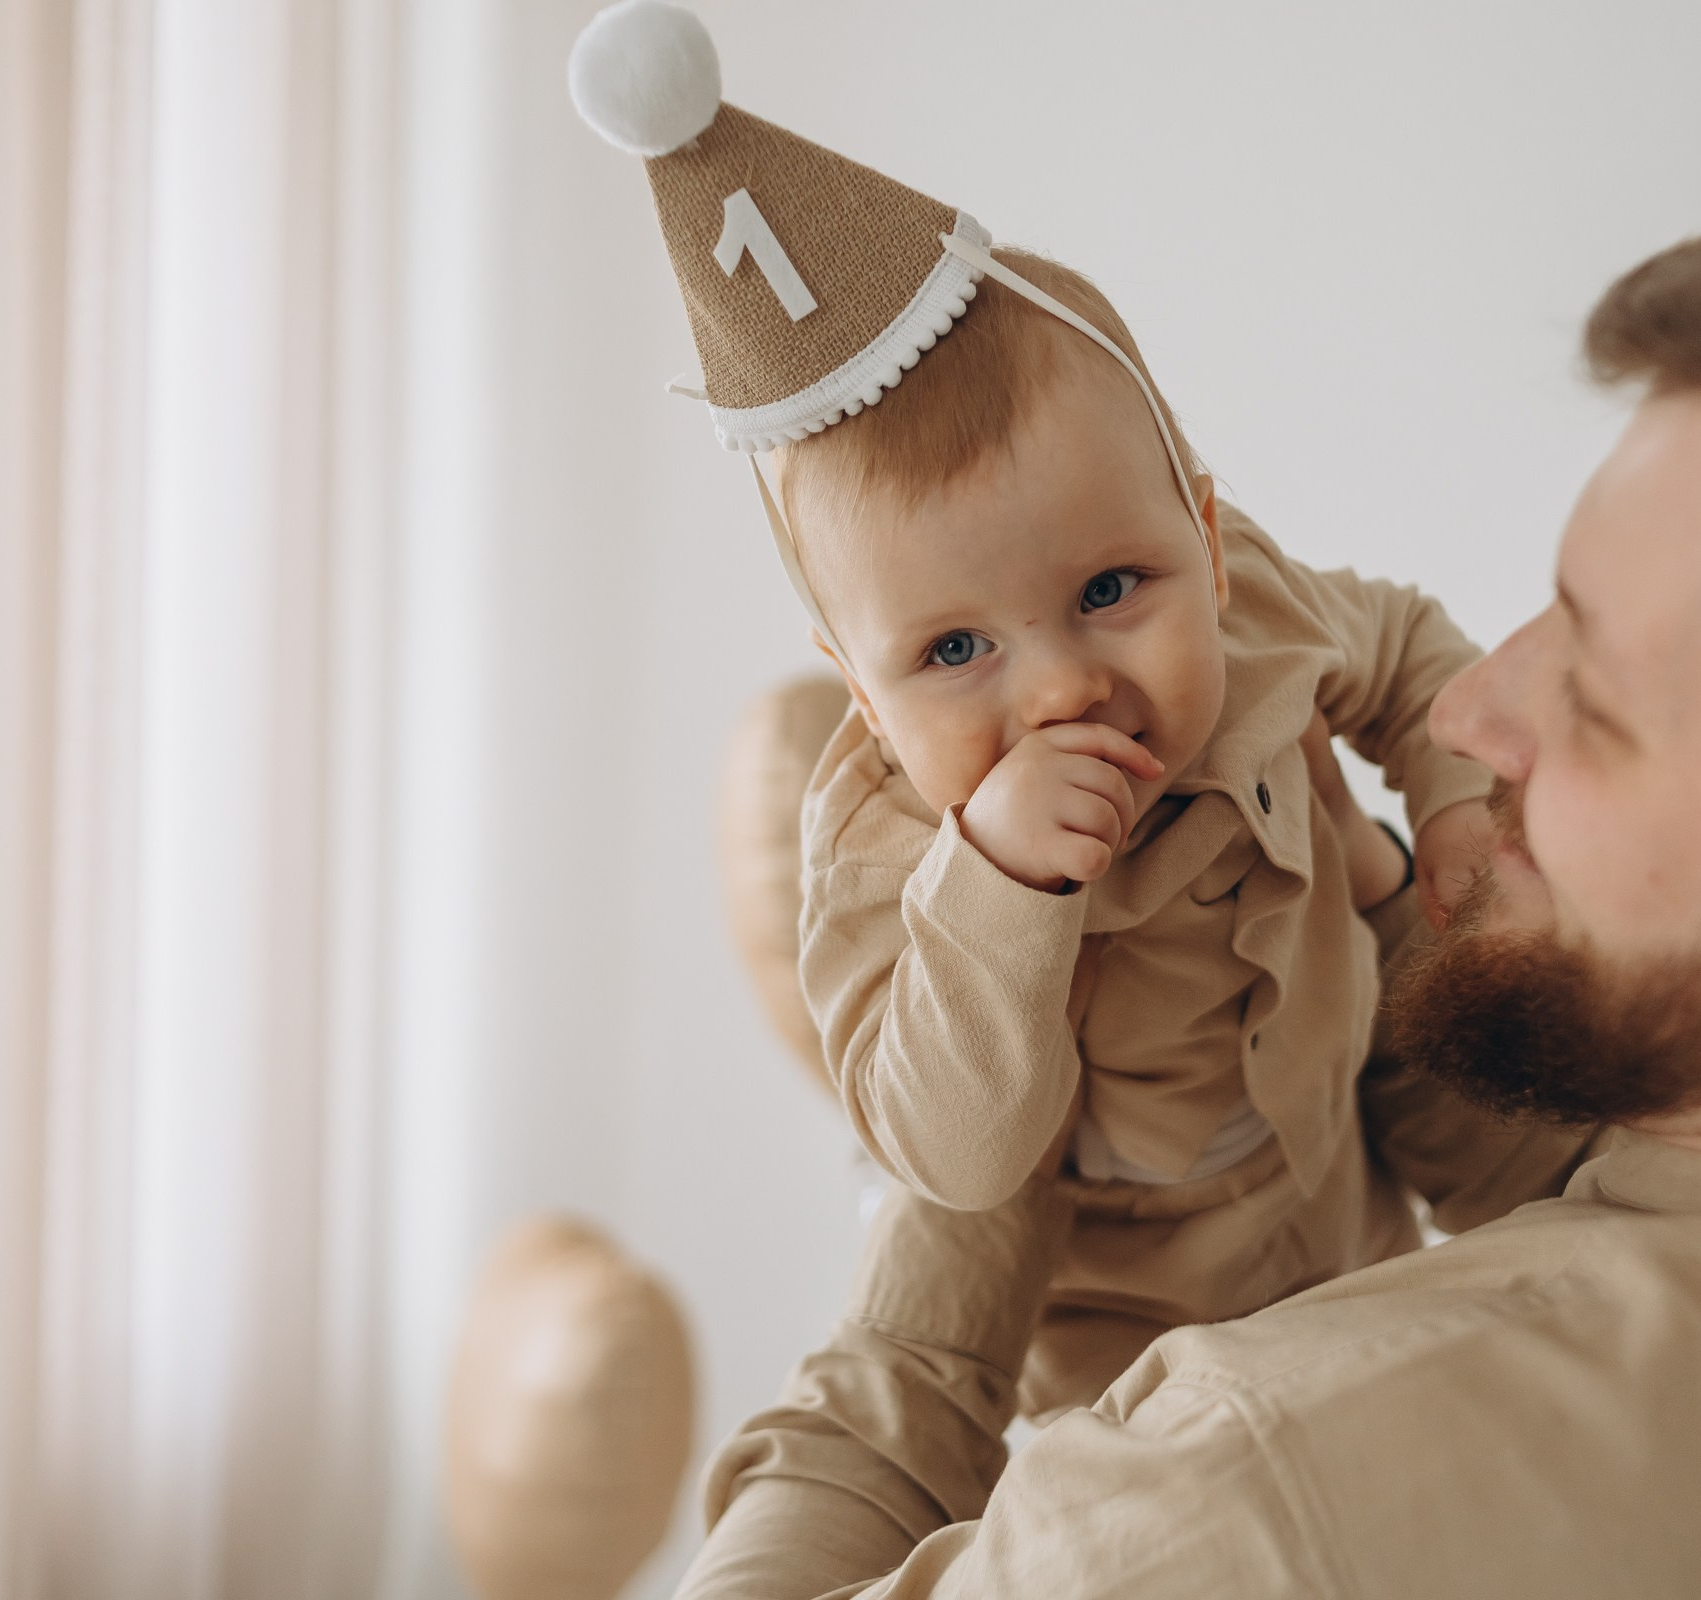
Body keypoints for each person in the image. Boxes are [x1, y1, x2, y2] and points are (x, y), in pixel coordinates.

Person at [671, 156, 1701, 1598]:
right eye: (1545, 611)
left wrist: (874, 1414)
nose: (1475, 720)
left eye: (1604, 703)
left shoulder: (1240, 1507)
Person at [569, 0, 1510, 1418]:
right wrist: (1000, 880)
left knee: (1525, 1206)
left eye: (1113, 586)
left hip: (1340, 1186)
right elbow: (950, 1155)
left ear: (1200, 528)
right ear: (863, 695)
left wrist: (1450, 799)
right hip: (1107, 1308)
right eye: (953, 651)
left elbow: (1409, 648)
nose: (1063, 686)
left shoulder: (1251, 603)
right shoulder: (882, 854)